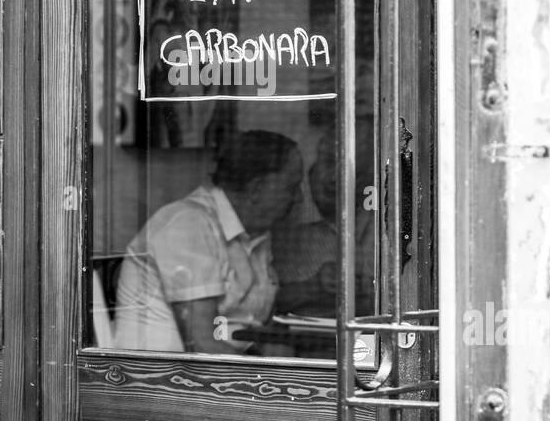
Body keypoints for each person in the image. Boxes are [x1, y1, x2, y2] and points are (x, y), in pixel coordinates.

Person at [114, 130, 303, 353]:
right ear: (257, 189)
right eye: (291, 187)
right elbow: (202, 344)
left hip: (227, 370)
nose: (299, 198)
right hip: (163, 378)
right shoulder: (188, 224)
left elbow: (260, 330)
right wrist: (264, 381)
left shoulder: (256, 232)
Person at [272, 123, 375, 318]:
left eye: (354, 170)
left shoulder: (388, 230)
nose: (335, 178)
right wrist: (314, 287)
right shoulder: (287, 234)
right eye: (328, 161)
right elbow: (266, 306)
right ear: (310, 171)